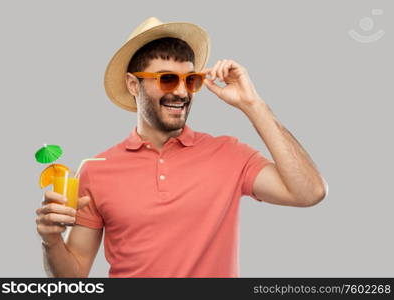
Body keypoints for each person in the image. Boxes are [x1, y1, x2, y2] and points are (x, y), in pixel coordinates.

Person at [36, 17, 328, 278]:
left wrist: (253, 105)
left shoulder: (229, 154)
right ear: (133, 85)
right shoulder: (95, 170)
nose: (181, 91)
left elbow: (309, 192)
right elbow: (73, 278)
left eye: (190, 80)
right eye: (166, 79)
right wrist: (51, 241)